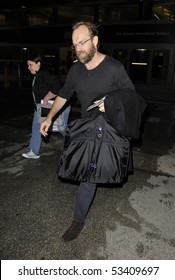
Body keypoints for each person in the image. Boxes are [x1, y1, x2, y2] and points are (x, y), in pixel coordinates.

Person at [40, 21, 140, 241]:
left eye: (82, 42)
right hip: (87, 129)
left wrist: (111, 103)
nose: (78, 48)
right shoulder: (76, 70)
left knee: (98, 171)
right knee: (86, 171)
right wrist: (48, 117)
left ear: (95, 41)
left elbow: (131, 96)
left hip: (110, 129)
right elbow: (65, 94)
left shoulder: (114, 67)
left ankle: (79, 217)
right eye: (75, 44)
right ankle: (79, 218)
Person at [22, 53, 71, 159]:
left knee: (62, 129)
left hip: (57, 106)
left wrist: (46, 98)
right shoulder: (38, 75)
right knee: (36, 128)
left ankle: (76, 147)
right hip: (41, 108)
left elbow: (56, 88)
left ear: (38, 63)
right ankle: (34, 152)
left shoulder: (44, 74)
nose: (28, 67)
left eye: (30, 64)